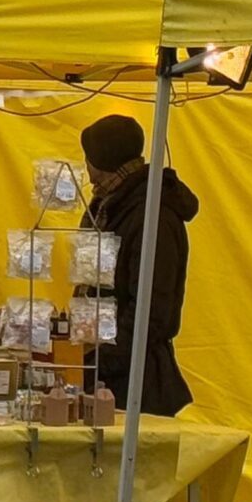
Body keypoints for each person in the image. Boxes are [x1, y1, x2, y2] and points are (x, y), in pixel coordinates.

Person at [80, 114, 198, 417]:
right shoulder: (111, 205)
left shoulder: (151, 215)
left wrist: (105, 358)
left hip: (137, 382)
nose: (88, 172)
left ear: (104, 159)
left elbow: (151, 309)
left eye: (89, 159)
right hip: (107, 369)